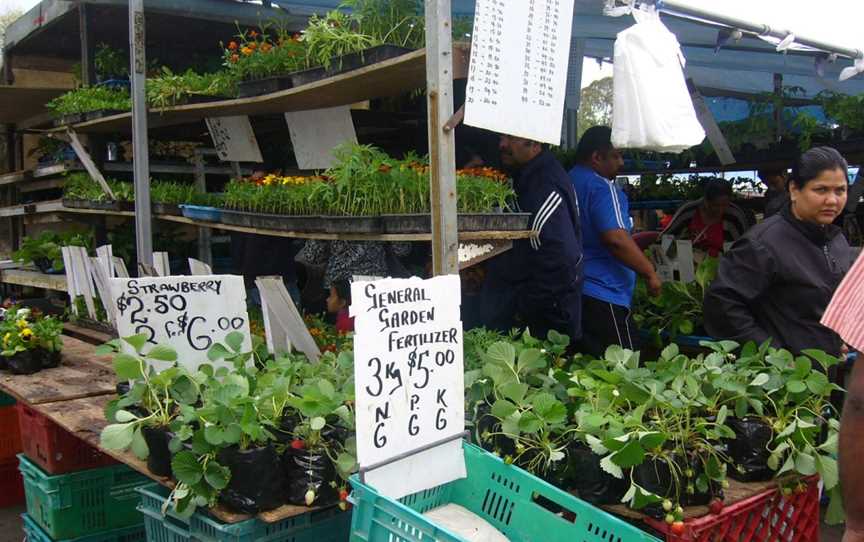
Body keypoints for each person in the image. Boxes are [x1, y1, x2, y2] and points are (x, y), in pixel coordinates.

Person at [703, 147, 853, 356]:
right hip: (784, 383)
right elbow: (721, 305)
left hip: (827, 373)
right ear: (794, 190)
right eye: (821, 190)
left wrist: (836, 339)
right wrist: (774, 355)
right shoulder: (763, 244)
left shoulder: (836, 240)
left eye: (840, 190)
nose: (832, 200)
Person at [478, 134, 583, 341]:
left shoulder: (543, 184)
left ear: (535, 141)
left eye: (511, 138)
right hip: (534, 317)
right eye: (502, 137)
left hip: (544, 325)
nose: (502, 144)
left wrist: (521, 308)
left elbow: (561, 260)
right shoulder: (527, 176)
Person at [568, 126, 661, 356]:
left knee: (587, 370)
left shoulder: (569, 181)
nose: (621, 163)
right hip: (604, 292)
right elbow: (616, 239)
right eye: (616, 155)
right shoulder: (601, 187)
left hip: (576, 290)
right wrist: (649, 273)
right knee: (624, 373)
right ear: (597, 157)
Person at [660, 179, 752, 257]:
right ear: (705, 201)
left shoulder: (734, 217)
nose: (720, 210)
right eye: (715, 206)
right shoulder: (688, 212)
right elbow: (666, 239)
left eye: (725, 205)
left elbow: (744, 249)